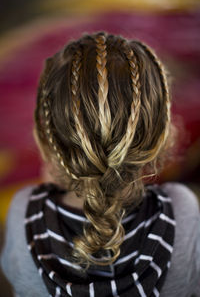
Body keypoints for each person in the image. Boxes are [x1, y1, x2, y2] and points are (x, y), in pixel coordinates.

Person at [1, 31, 200, 297]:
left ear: (47, 140)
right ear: (159, 139)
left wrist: (54, 180)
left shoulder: (23, 214)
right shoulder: (182, 211)